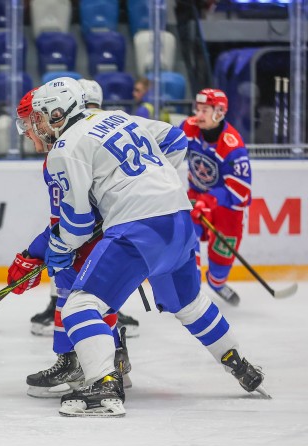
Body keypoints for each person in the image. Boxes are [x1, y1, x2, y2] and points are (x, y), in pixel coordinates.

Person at [23, 76, 267, 417]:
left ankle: (104, 386)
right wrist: (148, 185)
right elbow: (176, 139)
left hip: (139, 229)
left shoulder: (65, 148)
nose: (35, 125)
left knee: (79, 306)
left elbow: (78, 226)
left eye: (39, 116)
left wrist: (55, 250)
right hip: (180, 220)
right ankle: (239, 363)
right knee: (190, 305)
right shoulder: (119, 118)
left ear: (58, 112)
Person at [9, 82, 132, 398]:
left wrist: (36, 252)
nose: (28, 131)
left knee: (76, 293)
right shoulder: (76, 144)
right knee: (89, 295)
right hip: (113, 238)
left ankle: (81, 364)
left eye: (30, 123)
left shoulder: (66, 151)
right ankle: (113, 359)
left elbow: (71, 222)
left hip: (99, 241)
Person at [28, 79, 141, 338]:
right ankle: (63, 314)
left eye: (93, 108)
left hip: (117, 221)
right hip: (88, 221)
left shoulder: (96, 133)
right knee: (67, 260)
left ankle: (110, 325)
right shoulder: (63, 149)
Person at [181, 89, 251, 306]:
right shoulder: (189, 127)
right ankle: (191, 288)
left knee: (221, 260)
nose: (198, 115)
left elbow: (241, 193)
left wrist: (210, 202)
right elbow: (167, 149)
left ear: (219, 112)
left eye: (205, 110)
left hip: (227, 207)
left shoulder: (233, 147)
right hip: (196, 194)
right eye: (198, 109)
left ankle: (217, 282)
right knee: (187, 229)